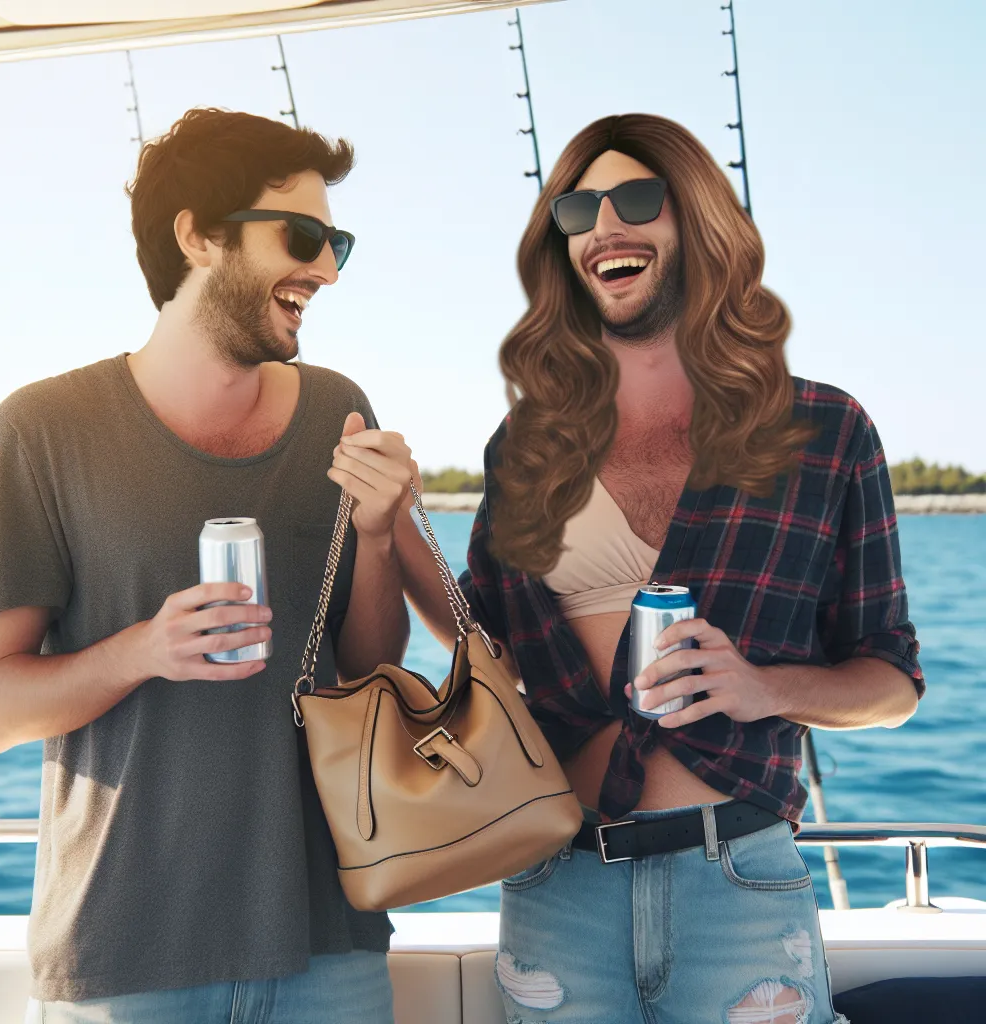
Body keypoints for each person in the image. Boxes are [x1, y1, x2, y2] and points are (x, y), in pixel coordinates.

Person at [392, 113, 923, 1024]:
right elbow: (487, 649)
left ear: (701, 222)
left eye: (636, 198)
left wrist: (762, 688)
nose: (604, 225)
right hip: (558, 885)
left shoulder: (825, 432)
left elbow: (891, 684)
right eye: (578, 208)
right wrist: (392, 523)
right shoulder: (525, 446)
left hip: (741, 887)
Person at [0, 108, 415, 1023]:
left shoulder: (342, 409)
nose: (327, 269)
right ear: (199, 236)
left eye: (338, 244)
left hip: (329, 939)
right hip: (125, 952)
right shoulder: (40, 429)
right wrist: (144, 650)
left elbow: (369, 665)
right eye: (303, 236)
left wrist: (376, 534)